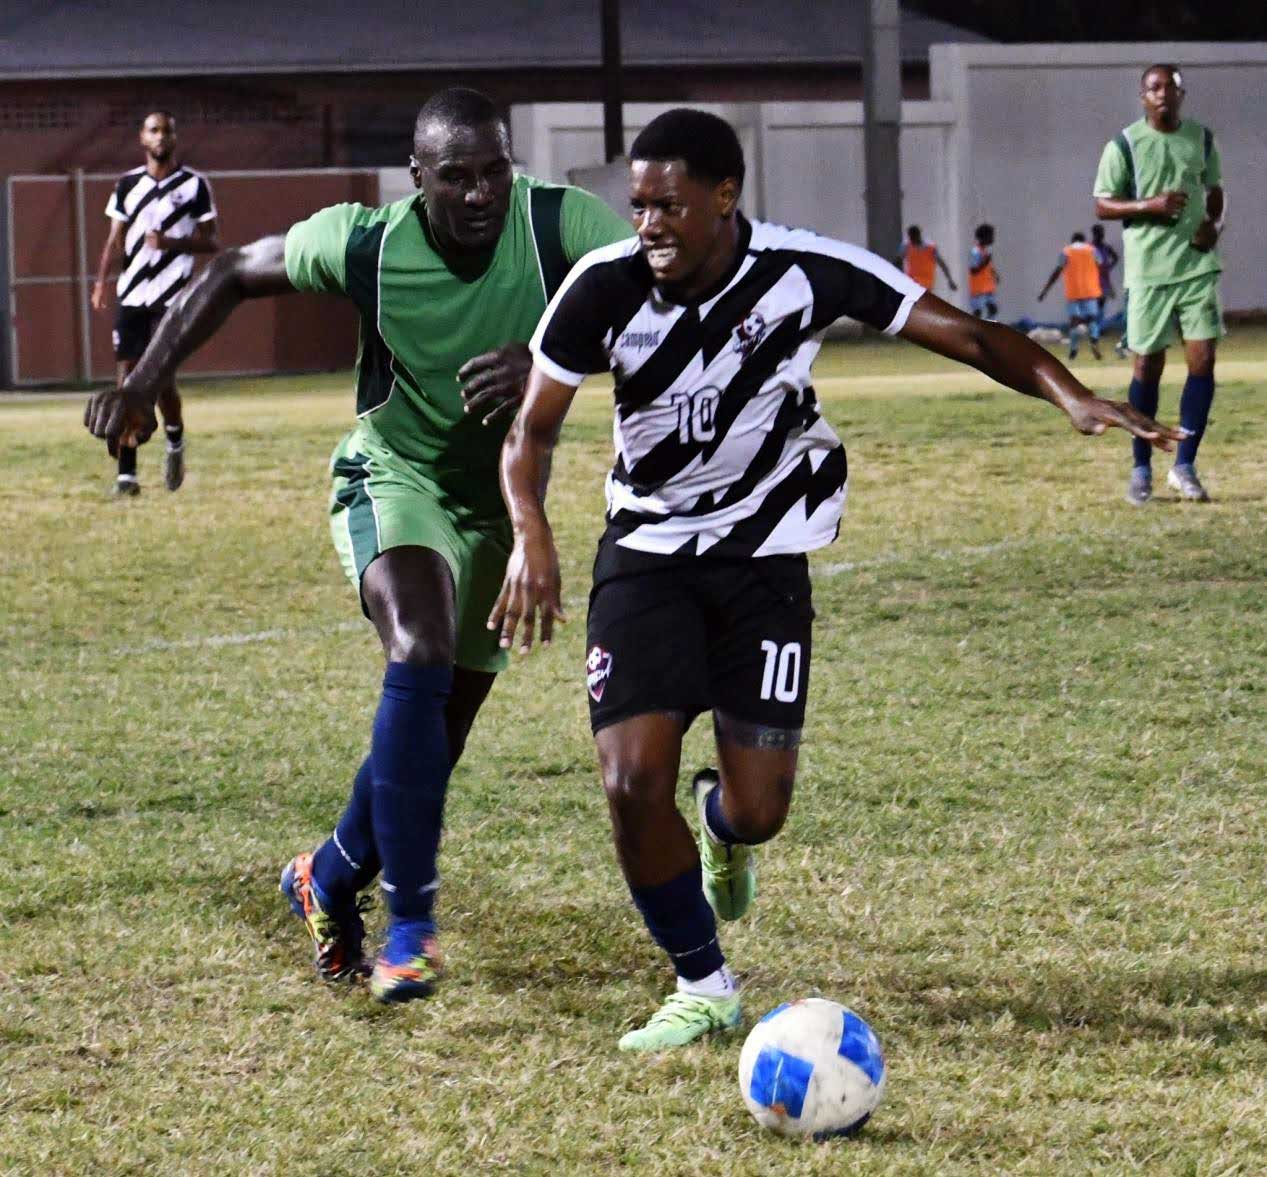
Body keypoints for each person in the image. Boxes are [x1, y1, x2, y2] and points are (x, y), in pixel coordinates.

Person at [490, 108, 1181, 1051]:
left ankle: (722, 829)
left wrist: (1072, 396)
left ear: (724, 198)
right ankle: (703, 980)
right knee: (627, 779)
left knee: (761, 810)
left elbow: (967, 334)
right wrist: (532, 533)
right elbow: (530, 432)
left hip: (765, 562)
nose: (646, 225)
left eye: (667, 207)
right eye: (638, 206)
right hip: (645, 557)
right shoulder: (601, 287)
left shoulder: (803, 270)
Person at [84, 87, 633, 1003]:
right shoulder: (370, 242)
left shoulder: (557, 224)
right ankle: (411, 923)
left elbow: (655, 299)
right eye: (453, 177)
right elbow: (229, 272)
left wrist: (549, 358)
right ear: (417, 179)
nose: (477, 194)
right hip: (394, 478)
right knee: (415, 646)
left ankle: (327, 878)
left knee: (431, 743)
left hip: (495, 504)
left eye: (492, 170)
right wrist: (143, 383)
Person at [1093, 63, 1225, 505]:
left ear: (1181, 94)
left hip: (1197, 267)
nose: (1163, 93)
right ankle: (1141, 469)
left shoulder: (1202, 139)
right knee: (1146, 370)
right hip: (1149, 273)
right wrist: (1149, 204)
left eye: (1171, 86)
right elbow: (1103, 205)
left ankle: (1184, 466)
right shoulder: (1124, 145)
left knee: (1202, 360)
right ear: (1143, 96)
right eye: (1154, 87)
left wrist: (1214, 224)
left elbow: (1216, 191)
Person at [90, 110, 218, 496]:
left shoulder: (194, 186)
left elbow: (211, 242)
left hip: (172, 297)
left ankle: (175, 441)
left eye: (167, 130)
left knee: (159, 380)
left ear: (175, 139)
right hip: (132, 294)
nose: (160, 136)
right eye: (153, 130)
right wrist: (100, 282)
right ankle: (127, 476)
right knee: (126, 379)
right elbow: (114, 238)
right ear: (142, 139)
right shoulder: (127, 184)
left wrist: (170, 243)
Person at [1037, 232, 1104, 361]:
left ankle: (1073, 350)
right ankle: (1094, 341)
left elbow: (1056, 272)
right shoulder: (1092, 250)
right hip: (1090, 291)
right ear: (1084, 241)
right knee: (1093, 320)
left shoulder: (1066, 251)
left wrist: (1045, 291)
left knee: (1074, 322)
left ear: (1072, 241)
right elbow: (1101, 265)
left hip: (1073, 292)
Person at [898, 225, 957, 294]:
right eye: (911, 237)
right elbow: (898, 261)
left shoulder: (930, 248)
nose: (912, 240)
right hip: (912, 282)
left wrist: (950, 280)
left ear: (918, 235)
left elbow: (942, 264)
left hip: (926, 284)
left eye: (913, 237)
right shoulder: (906, 246)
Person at [967, 223, 999, 320]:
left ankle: (989, 329)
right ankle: (975, 331)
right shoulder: (975, 252)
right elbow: (973, 270)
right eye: (991, 236)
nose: (993, 238)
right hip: (978, 289)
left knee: (993, 309)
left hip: (987, 287)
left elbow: (989, 267)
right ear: (984, 237)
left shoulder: (986, 251)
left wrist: (995, 274)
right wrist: (985, 262)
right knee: (978, 312)